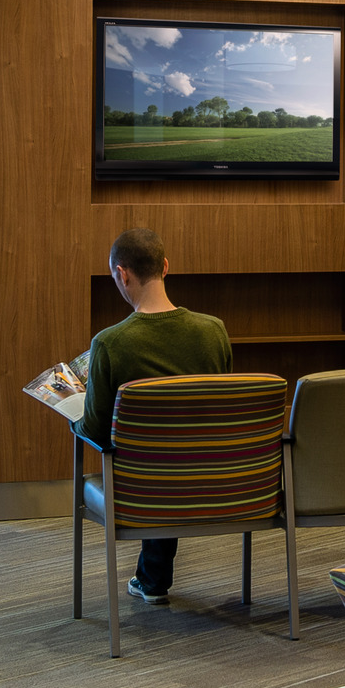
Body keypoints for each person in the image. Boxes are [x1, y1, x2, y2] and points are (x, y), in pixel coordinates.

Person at [76, 227, 236, 604]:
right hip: (216, 482)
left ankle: (152, 580)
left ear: (122, 274)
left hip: (142, 490)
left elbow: (97, 432)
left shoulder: (110, 344)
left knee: (155, 459)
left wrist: (74, 418)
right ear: (165, 267)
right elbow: (222, 407)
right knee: (174, 452)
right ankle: (152, 579)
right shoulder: (214, 332)